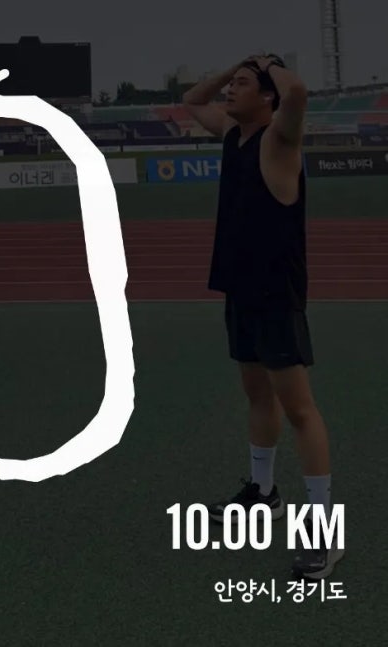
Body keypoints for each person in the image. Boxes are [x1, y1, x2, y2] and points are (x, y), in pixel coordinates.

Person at [181, 55, 342, 580]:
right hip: (241, 287)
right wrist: (236, 66)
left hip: (275, 293)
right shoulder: (234, 135)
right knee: (257, 395)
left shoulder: (279, 140)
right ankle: (264, 492)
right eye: (232, 84)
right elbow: (191, 101)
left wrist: (271, 65)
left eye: (243, 85)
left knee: (300, 410)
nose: (230, 90)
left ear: (267, 96)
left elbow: (298, 95)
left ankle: (323, 531)